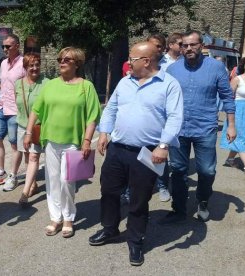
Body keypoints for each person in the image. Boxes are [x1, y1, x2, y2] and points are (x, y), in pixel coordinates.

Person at [88, 42, 183, 266]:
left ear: (147, 61)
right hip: (117, 149)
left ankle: (136, 240)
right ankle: (109, 229)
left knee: (139, 199)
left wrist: (163, 145)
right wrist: (104, 133)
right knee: (109, 191)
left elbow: (175, 117)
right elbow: (111, 108)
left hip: (147, 152)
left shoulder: (169, 84)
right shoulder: (125, 81)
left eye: (133, 59)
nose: (129, 63)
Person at [161, 30, 236, 224]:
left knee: (207, 171)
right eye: (184, 45)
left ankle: (202, 201)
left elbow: (227, 97)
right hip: (179, 130)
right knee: (178, 170)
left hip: (205, 128)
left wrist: (231, 125)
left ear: (201, 46)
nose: (188, 49)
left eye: (193, 45)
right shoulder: (172, 70)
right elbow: (164, 100)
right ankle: (178, 209)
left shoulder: (217, 68)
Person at [24, 47, 101, 238]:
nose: (61, 62)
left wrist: (87, 140)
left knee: (67, 181)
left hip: (73, 141)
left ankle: (68, 217)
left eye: (66, 59)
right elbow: (36, 110)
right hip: (50, 140)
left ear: (77, 63)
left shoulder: (86, 87)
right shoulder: (50, 85)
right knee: (52, 180)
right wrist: (27, 132)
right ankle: (55, 217)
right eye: (60, 59)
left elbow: (92, 117)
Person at [0, 34, 26, 190]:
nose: (5, 49)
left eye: (8, 46)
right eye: (3, 46)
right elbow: (3, 84)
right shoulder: (3, 64)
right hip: (2, 107)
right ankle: (0, 173)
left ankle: (13, 176)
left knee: (15, 144)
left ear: (17, 45)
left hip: (16, 110)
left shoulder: (24, 63)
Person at [15, 53, 49, 206]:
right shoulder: (18, 84)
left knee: (34, 157)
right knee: (27, 156)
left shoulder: (47, 83)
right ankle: (33, 183)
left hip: (38, 127)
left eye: (37, 65)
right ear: (25, 67)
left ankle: (25, 193)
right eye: (31, 66)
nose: (35, 68)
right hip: (22, 124)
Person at [155, 32, 183, 202]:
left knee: (171, 149)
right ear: (171, 45)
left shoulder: (184, 62)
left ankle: (167, 184)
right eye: (180, 44)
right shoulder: (160, 62)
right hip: (160, 112)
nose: (183, 47)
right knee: (158, 148)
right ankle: (161, 185)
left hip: (176, 110)